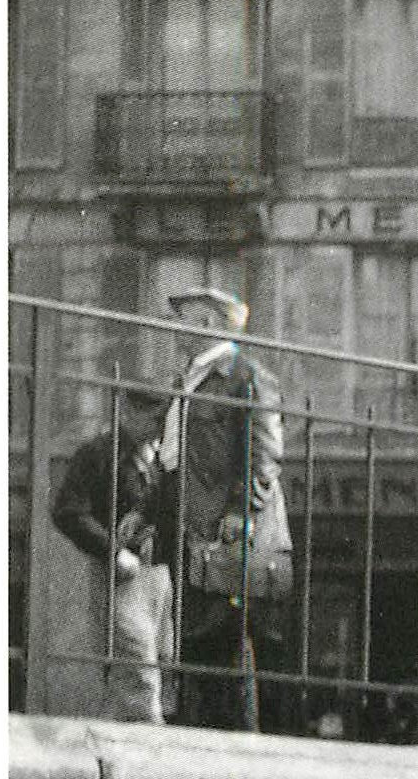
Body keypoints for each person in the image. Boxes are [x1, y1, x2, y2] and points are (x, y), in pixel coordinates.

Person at [155, 284, 292, 732]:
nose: (174, 327)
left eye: (184, 318)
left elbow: (265, 453)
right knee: (190, 637)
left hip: (219, 530)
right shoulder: (187, 378)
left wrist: (241, 513)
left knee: (223, 638)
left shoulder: (245, 376)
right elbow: (173, 455)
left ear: (210, 323)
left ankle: (235, 741)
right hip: (185, 522)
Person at [51, 385, 173, 724]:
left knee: (160, 668)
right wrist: (113, 551)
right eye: (155, 418)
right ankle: (147, 761)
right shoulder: (99, 453)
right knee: (137, 671)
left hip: (161, 576)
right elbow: (68, 511)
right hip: (123, 578)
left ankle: (115, 751)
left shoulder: (165, 456)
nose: (160, 426)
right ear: (129, 411)